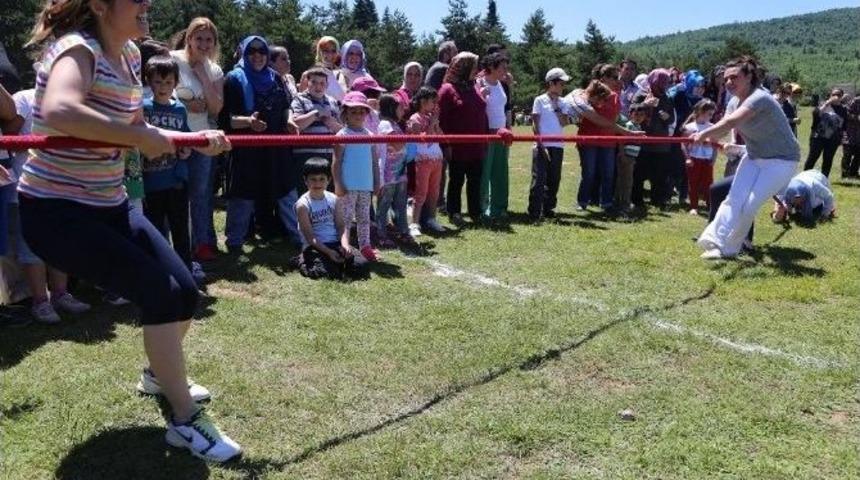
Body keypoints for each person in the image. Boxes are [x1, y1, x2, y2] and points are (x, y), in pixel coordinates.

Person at [20, 0, 239, 461]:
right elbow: (60, 110)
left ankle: (159, 376)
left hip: (110, 204)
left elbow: (140, 127)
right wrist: (139, 138)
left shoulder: (132, 56)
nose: (148, 4)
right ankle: (183, 420)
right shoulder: (78, 50)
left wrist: (195, 142)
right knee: (158, 293)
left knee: (183, 294)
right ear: (101, 5)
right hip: (57, 212)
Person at [693, 56, 800, 259]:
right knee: (734, 198)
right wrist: (721, 140)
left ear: (749, 77)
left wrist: (704, 134)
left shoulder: (760, 98)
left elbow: (732, 121)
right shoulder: (733, 102)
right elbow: (727, 123)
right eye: (726, 79)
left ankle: (731, 247)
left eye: (734, 77)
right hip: (753, 156)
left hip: (782, 161)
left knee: (750, 204)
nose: (729, 83)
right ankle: (716, 240)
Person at [221, 36, 300, 251]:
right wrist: (249, 122)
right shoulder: (233, 79)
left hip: (276, 145)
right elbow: (225, 120)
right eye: (252, 51)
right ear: (244, 54)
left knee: (286, 191)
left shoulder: (275, 78)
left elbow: (286, 106)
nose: (257, 56)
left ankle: (299, 237)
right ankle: (235, 241)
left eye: (262, 51)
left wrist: (290, 120)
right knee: (243, 195)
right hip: (247, 148)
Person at [141, 56, 202, 286]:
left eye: (168, 83)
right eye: (158, 82)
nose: (163, 88)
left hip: (176, 180)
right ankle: (159, 276)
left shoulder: (180, 109)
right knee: (155, 231)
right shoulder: (143, 109)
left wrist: (186, 150)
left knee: (180, 229)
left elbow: (185, 138)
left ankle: (185, 273)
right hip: (151, 182)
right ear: (149, 82)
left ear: (175, 83)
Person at [170, 17, 224, 263]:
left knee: (200, 195)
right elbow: (158, 92)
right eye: (199, 38)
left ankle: (201, 245)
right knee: (171, 193)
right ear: (189, 38)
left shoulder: (214, 70)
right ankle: (173, 245)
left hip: (202, 140)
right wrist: (186, 105)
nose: (203, 44)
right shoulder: (172, 59)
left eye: (208, 40)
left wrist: (203, 75)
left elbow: (215, 109)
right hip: (172, 138)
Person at [438, 52, 487, 224]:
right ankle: (454, 212)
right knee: (456, 180)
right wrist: (446, 145)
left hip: (477, 144)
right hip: (457, 146)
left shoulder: (474, 87)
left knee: (475, 180)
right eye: (473, 67)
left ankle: (475, 212)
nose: (476, 70)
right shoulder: (447, 89)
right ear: (464, 68)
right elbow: (441, 120)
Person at [333, 91, 380, 262]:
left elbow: (374, 162)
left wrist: (376, 182)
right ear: (345, 114)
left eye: (362, 111)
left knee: (364, 218)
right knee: (345, 218)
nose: (358, 115)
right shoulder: (342, 135)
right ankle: (343, 245)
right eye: (353, 112)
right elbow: (336, 162)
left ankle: (365, 246)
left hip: (365, 185)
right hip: (348, 186)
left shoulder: (369, 135)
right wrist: (338, 184)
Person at [295, 157, 360, 280]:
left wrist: (345, 245)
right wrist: (329, 252)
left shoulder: (333, 199)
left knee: (360, 265)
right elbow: (310, 237)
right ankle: (302, 260)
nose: (317, 183)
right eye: (313, 179)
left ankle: (336, 261)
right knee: (327, 273)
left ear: (328, 180)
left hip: (335, 243)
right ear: (305, 181)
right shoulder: (302, 205)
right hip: (315, 246)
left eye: (321, 179)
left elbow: (341, 225)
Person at [528, 68, 572, 220]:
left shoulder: (563, 102)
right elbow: (535, 123)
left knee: (554, 179)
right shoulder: (539, 100)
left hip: (558, 145)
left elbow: (565, 122)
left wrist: (557, 108)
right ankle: (534, 210)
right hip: (542, 144)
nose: (563, 86)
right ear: (551, 83)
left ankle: (548, 209)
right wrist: (540, 143)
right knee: (539, 178)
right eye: (561, 83)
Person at [632, 68, 676, 208]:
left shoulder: (667, 97)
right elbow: (632, 113)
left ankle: (658, 200)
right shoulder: (641, 94)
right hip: (642, 140)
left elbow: (672, 119)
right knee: (639, 173)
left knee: (659, 174)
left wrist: (667, 117)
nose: (662, 86)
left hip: (660, 142)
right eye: (660, 83)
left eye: (665, 83)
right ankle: (637, 200)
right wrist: (645, 105)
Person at [406, 86, 446, 237]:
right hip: (423, 159)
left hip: (437, 159)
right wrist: (432, 124)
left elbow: (441, 136)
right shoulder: (414, 118)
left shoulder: (431, 118)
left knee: (434, 192)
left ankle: (431, 218)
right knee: (421, 192)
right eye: (432, 102)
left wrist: (435, 124)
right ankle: (414, 223)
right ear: (423, 101)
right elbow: (424, 140)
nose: (435, 105)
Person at [291, 67, 342, 183]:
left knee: (328, 193)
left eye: (322, 83)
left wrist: (332, 124)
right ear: (307, 83)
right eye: (314, 82)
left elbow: (342, 130)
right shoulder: (299, 99)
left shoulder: (333, 102)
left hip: (330, 156)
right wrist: (315, 114)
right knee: (305, 191)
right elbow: (296, 125)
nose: (318, 86)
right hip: (305, 156)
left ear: (327, 85)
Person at [476, 52, 511, 220]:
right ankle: (483, 209)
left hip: (502, 133)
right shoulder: (480, 82)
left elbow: (504, 108)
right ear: (491, 67)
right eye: (502, 66)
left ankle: (499, 207)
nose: (506, 70)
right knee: (485, 172)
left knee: (501, 172)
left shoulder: (501, 84)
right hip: (487, 132)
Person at [375, 94, 410, 247]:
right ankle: (381, 235)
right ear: (391, 108)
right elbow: (397, 144)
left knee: (401, 203)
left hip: (400, 171)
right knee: (384, 204)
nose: (403, 109)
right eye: (400, 106)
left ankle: (403, 231)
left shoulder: (395, 124)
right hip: (388, 173)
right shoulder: (384, 124)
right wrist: (412, 137)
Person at [681, 99, 718, 214]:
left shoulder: (712, 127)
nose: (711, 117)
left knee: (708, 183)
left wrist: (714, 158)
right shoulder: (689, 127)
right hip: (694, 158)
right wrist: (687, 158)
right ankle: (694, 206)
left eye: (712, 114)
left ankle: (710, 205)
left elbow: (715, 144)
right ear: (701, 112)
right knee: (693, 183)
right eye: (709, 114)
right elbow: (683, 144)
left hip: (707, 159)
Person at [804, 89, 848, 177]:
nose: (836, 96)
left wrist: (841, 138)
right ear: (830, 95)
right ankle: (804, 177)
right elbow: (816, 114)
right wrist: (827, 103)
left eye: (839, 95)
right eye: (834, 94)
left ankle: (823, 180)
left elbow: (843, 125)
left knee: (828, 160)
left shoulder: (843, 109)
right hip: (818, 137)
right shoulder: (823, 104)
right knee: (812, 158)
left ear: (842, 97)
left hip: (833, 139)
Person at [772, 169, 836, 223]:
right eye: (795, 199)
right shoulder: (785, 190)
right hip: (801, 178)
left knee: (818, 208)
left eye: (799, 198)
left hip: (817, 179)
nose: (797, 202)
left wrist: (825, 214)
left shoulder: (815, 185)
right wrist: (779, 210)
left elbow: (828, 196)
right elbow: (776, 217)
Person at [615, 103, 647, 213]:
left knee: (628, 181)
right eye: (636, 114)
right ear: (630, 114)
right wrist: (622, 154)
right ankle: (623, 204)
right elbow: (621, 141)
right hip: (626, 157)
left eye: (641, 115)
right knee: (625, 182)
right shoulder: (629, 126)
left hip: (632, 158)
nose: (639, 117)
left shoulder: (638, 127)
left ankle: (623, 202)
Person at [313, 36, 345, 101]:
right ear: (319, 52)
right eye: (326, 51)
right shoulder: (311, 74)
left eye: (333, 51)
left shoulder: (342, 74)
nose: (330, 54)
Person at [841, 94, 860, 179]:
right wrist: (857, 117)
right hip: (850, 133)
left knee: (858, 155)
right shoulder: (856, 101)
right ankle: (845, 173)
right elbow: (845, 113)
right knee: (847, 155)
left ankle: (853, 173)